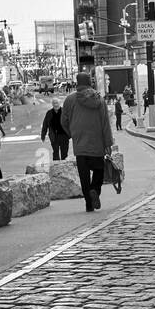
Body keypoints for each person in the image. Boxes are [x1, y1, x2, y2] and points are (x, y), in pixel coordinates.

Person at [61, 72, 114, 212]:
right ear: (90, 82)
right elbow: (105, 124)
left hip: (80, 145)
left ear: (77, 83)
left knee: (84, 176)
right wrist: (108, 144)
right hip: (97, 144)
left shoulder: (69, 100)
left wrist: (72, 133)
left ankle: (88, 204)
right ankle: (95, 190)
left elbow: (64, 121)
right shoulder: (99, 100)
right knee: (99, 170)